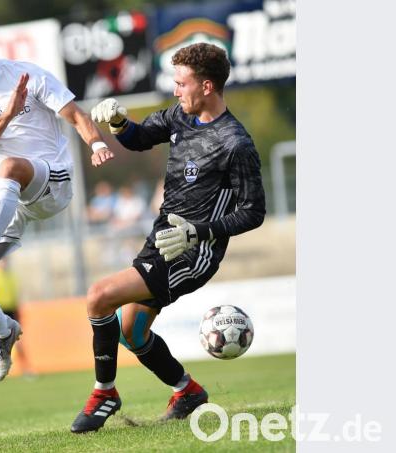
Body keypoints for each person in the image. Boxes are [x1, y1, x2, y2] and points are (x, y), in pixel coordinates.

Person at [70, 42, 266, 433]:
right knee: (131, 332)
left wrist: (199, 233)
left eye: (181, 83)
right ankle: (187, 391)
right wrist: (120, 124)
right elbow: (139, 138)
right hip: (161, 239)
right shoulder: (180, 115)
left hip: (193, 253)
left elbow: (253, 212)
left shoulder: (235, 143)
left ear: (207, 86)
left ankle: (104, 392)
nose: (176, 91)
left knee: (98, 296)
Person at [0, 17, 115, 382]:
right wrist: (7, 115)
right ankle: (5, 331)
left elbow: (75, 115)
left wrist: (96, 143)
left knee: (11, 165)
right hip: (4, 199)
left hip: (51, 181)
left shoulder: (29, 76)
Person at [0, 258, 35, 378]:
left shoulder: (11, 276)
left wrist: (17, 310)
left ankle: (26, 369)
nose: (3, 263)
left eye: (4, 260)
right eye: (1, 261)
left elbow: (15, 294)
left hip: (11, 310)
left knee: (18, 341)